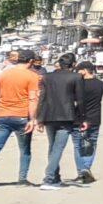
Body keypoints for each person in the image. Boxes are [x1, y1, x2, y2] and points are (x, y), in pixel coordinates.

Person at [0, 49, 44, 188]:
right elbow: (33, 99)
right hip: (21, 117)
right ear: (30, 61)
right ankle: (22, 179)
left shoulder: (3, 74)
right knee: (25, 149)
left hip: (2, 116)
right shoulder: (32, 76)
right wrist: (32, 119)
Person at [36, 53, 87, 188]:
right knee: (58, 148)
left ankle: (55, 177)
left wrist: (39, 118)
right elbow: (80, 100)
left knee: (53, 147)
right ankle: (48, 178)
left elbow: (42, 97)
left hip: (49, 116)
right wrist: (82, 118)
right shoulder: (76, 77)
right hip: (66, 117)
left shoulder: (47, 77)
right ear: (73, 65)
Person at [73, 63, 103, 185]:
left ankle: (82, 171)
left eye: (78, 70)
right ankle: (86, 168)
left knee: (78, 145)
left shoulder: (78, 84)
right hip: (95, 117)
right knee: (91, 144)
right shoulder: (100, 84)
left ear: (85, 71)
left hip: (79, 118)